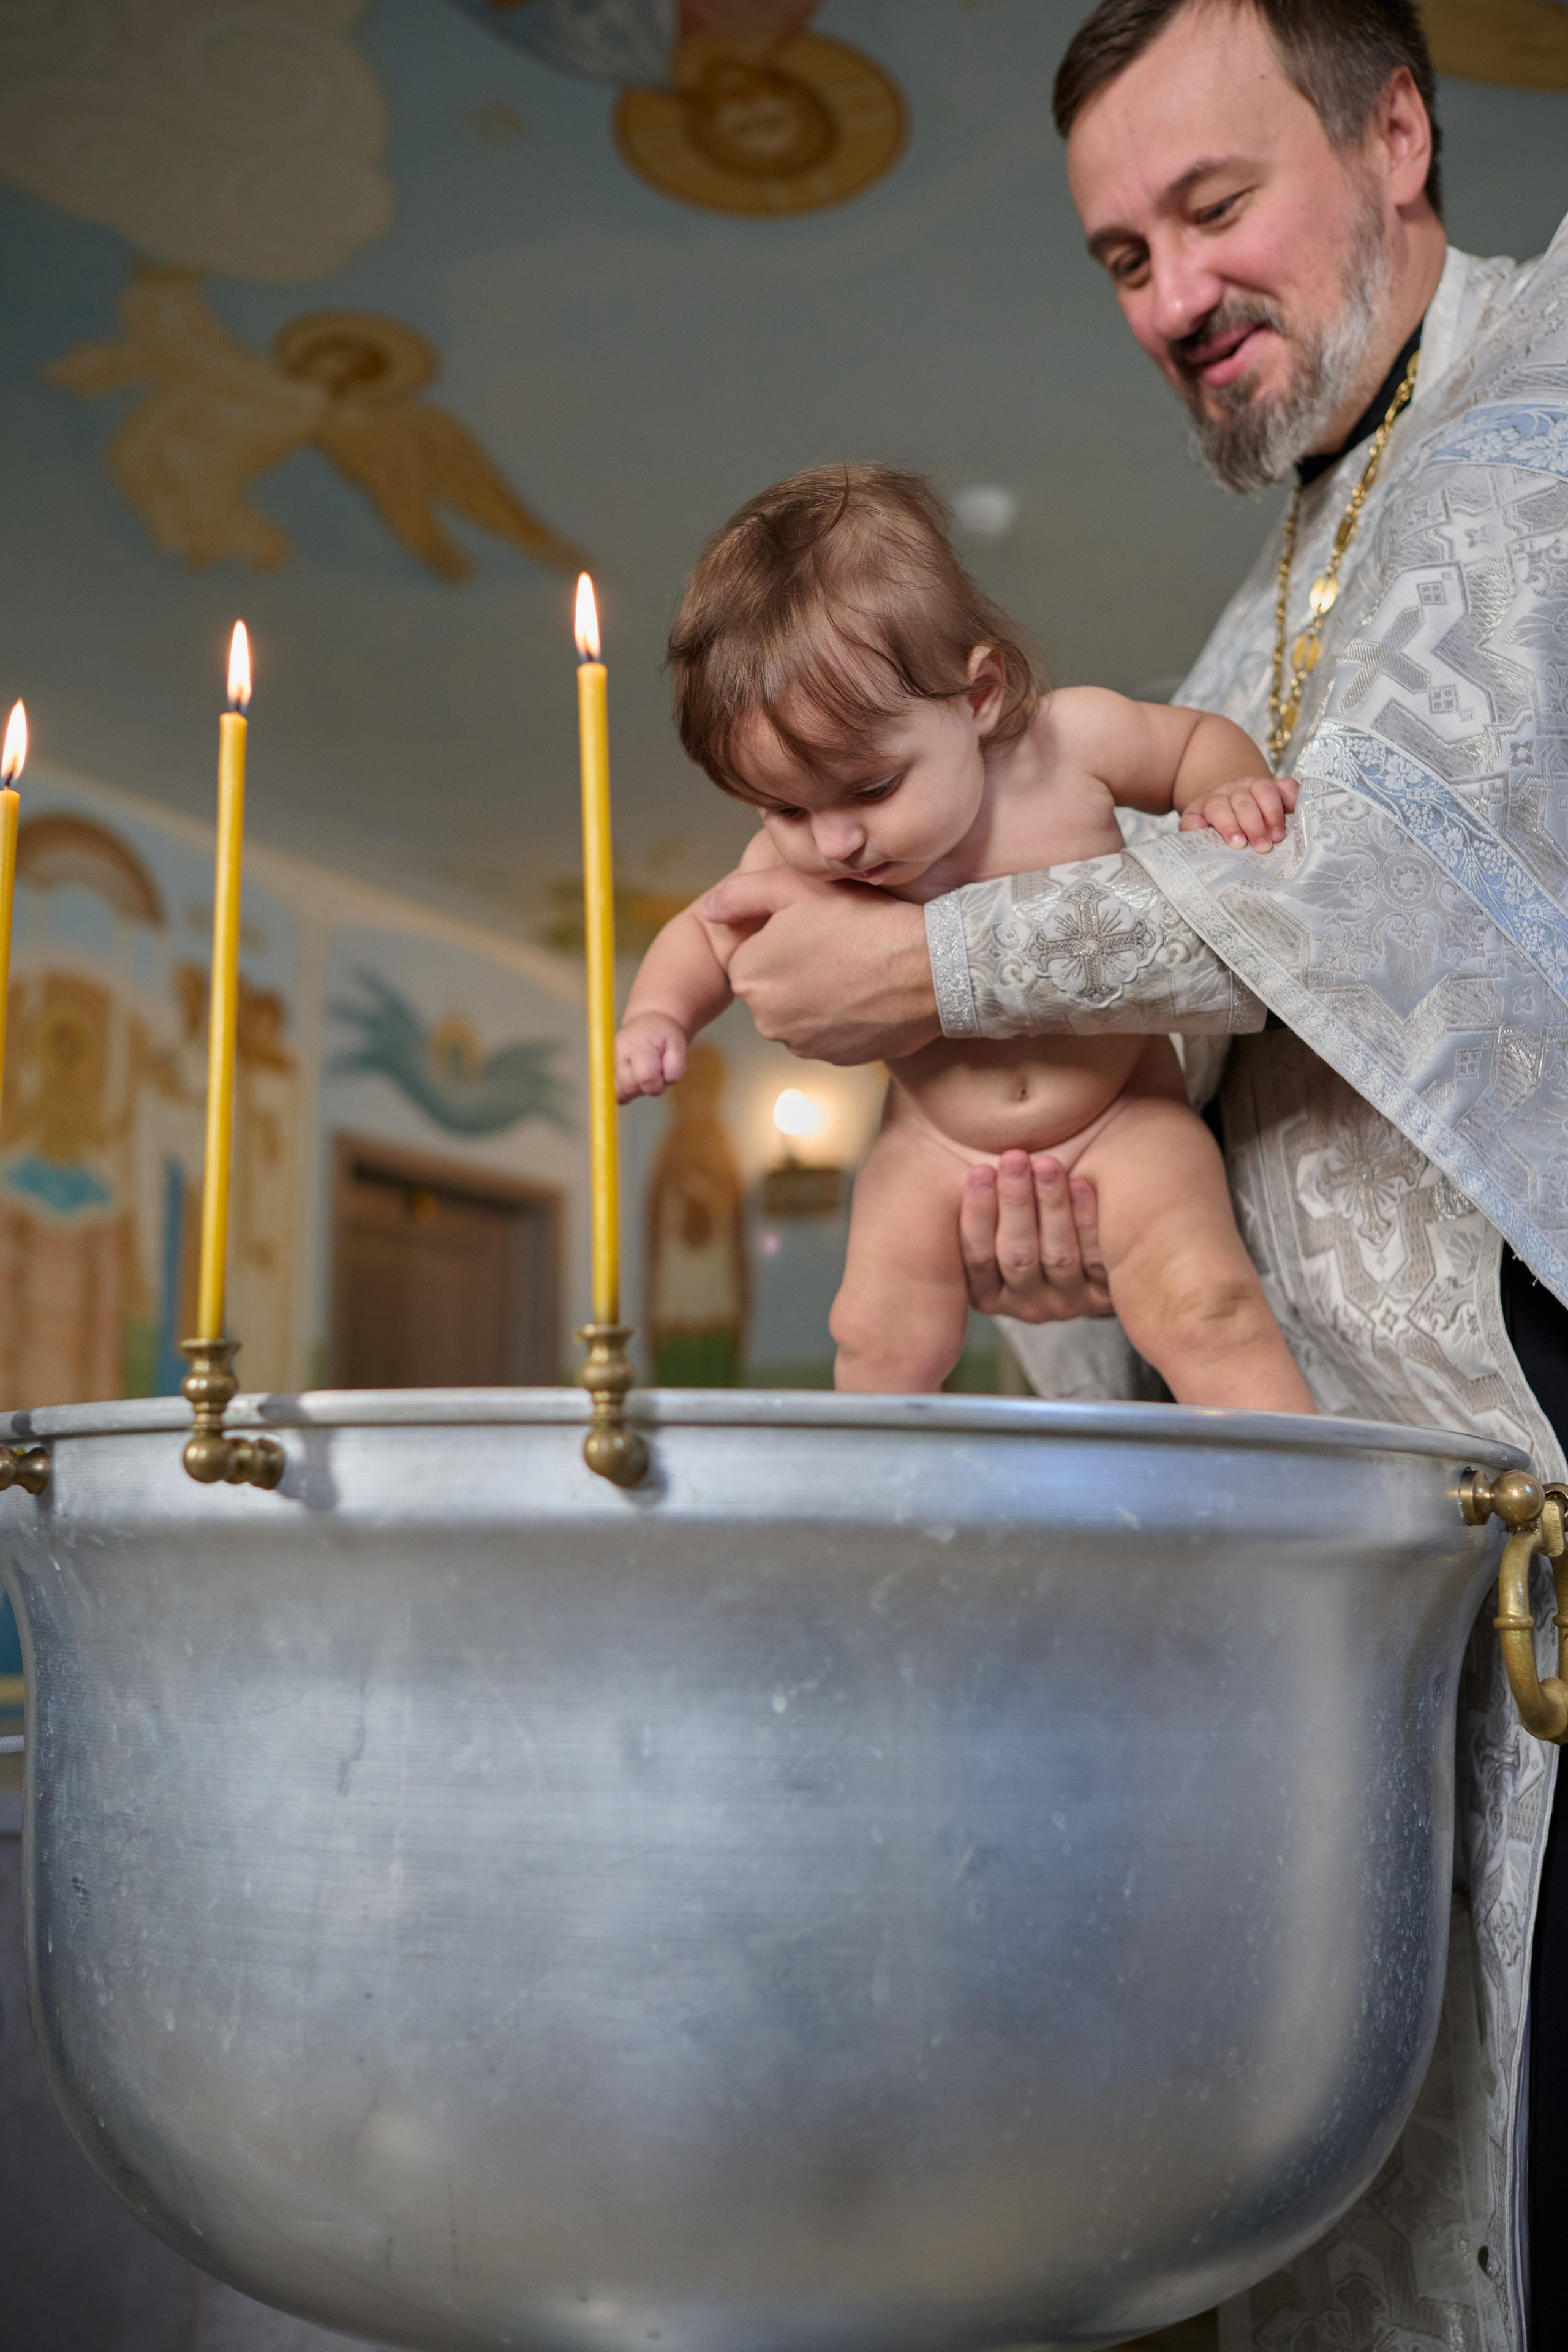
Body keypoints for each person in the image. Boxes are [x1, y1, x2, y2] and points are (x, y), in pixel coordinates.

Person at [695, 4, 1568, 2346]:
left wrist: (931, 969)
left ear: (1396, 132)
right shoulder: (1241, 625)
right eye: (1116, 256)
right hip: (1353, 1610)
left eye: (1212, 210)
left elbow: (1386, 883)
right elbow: (1181, 1100)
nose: (1170, 298)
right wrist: (1063, 1269)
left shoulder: (1539, 409)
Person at [617, 464, 1313, 1403]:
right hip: (932, 1149)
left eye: (871, 788)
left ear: (977, 696)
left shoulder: (1072, 746)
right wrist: (657, 1016)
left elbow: (1193, 743)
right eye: (785, 807)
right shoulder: (802, 860)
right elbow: (705, 936)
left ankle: (1301, 1528)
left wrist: (1223, 786)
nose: (837, 840)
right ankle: (884, 1519)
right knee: (874, 1337)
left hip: (1124, 1121)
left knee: (1208, 1311)